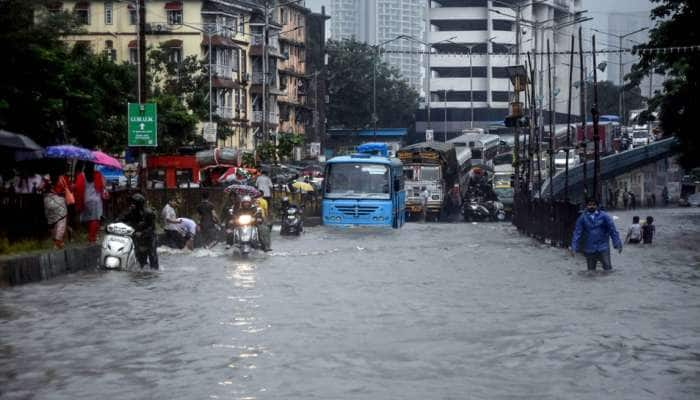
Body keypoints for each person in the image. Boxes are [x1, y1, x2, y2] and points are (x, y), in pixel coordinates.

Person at [570, 198, 623, 271]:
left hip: (603, 247)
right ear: (586, 206)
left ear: (597, 206)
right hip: (590, 248)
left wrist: (617, 244)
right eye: (589, 205)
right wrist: (574, 247)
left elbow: (613, 230)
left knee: (608, 269)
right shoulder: (582, 218)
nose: (591, 206)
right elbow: (577, 233)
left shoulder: (604, 216)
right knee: (591, 272)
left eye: (594, 205)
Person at [120, 193, 158, 269]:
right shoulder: (130, 213)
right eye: (131, 203)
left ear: (139, 204)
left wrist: (142, 233)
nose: (131, 205)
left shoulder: (148, 213)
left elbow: (152, 227)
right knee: (140, 259)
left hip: (149, 238)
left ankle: (154, 274)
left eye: (134, 203)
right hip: (137, 237)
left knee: (152, 256)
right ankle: (142, 274)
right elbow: (120, 219)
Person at [75, 162, 107, 243]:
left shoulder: (81, 175)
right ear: (93, 166)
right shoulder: (98, 174)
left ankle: (91, 236)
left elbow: (78, 188)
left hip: (86, 200)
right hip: (96, 200)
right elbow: (103, 185)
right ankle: (92, 238)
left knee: (89, 219)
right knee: (95, 219)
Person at [42, 173, 69, 249]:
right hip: (59, 202)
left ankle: (55, 241)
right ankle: (58, 242)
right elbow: (65, 189)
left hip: (47, 202)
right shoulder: (62, 178)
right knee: (61, 221)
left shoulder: (45, 177)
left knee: (52, 222)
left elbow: (40, 187)